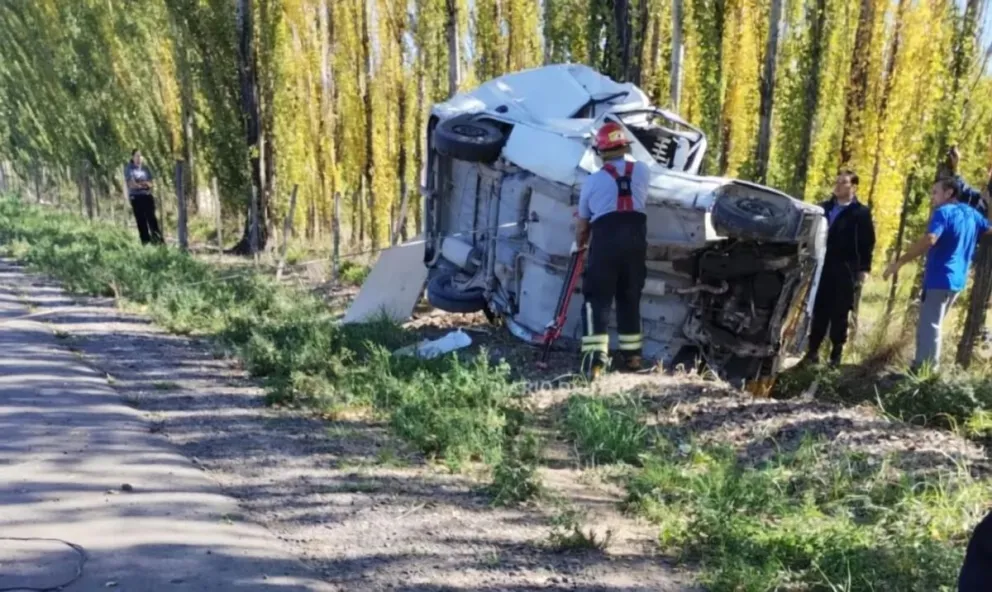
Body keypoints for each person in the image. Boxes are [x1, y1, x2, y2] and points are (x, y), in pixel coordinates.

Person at [883, 176, 992, 372]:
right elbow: (989, 229)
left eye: (935, 192)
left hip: (940, 278)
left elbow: (930, 239)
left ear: (949, 193)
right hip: (957, 281)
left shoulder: (944, 212)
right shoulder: (971, 215)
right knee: (932, 324)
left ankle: (925, 372)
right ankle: (922, 367)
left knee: (930, 326)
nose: (932, 197)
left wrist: (899, 262)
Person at [573, 121, 650, 380]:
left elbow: (583, 224)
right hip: (636, 242)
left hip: (606, 242)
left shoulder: (592, 181)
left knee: (597, 299)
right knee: (630, 296)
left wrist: (580, 243)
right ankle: (633, 357)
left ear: (601, 151)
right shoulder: (643, 171)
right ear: (625, 147)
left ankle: (595, 362)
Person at [802, 170, 876, 367]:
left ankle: (835, 355)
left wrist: (864, 269)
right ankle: (812, 351)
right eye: (837, 182)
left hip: (845, 268)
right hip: (822, 266)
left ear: (853, 187)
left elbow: (867, 242)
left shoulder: (860, 212)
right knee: (819, 308)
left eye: (843, 182)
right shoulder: (823, 208)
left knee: (840, 311)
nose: (838, 186)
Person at [124, 149, 163, 245]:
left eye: (140, 156)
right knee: (141, 220)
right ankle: (146, 243)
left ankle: (158, 241)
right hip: (136, 197)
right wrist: (143, 184)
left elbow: (151, 184)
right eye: (137, 156)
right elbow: (131, 184)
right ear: (132, 157)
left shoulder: (146, 169)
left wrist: (140, 184)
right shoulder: (129, 168)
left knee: (152, 219)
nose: (138, 158)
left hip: (147, 196)